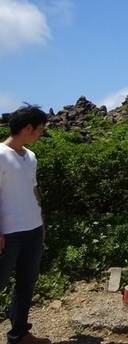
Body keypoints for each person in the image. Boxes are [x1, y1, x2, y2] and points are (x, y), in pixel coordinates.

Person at [0, 105, 51, 344]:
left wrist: (42, 221)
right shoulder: (0, 155)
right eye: (39, 129)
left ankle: (19, 335)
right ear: (28, 128)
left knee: (26, 283)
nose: (41, 133)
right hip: (8, 233)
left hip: (32, 229)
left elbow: (33, 189)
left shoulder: (31, 156)